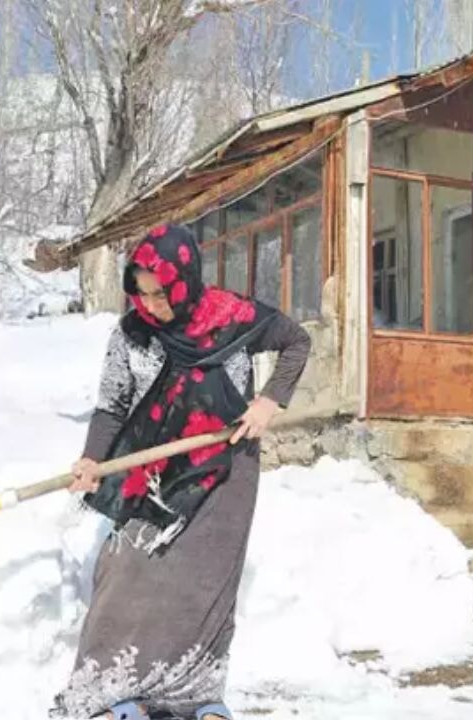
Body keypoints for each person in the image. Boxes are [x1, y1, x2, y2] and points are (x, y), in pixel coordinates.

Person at [52, 223, 311, 720]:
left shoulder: (232, 318)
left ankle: (193, 693)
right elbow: (112, 406)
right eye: (143, 293)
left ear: (185, 278)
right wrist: (93, 460)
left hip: (224, 469)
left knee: (205, 584)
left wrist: (268, 401)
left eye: (161, 291)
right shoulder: (130, 334)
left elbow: (296, 342)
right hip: (152, 472)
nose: (153, 304)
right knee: (125, 572)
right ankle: (106, 692)